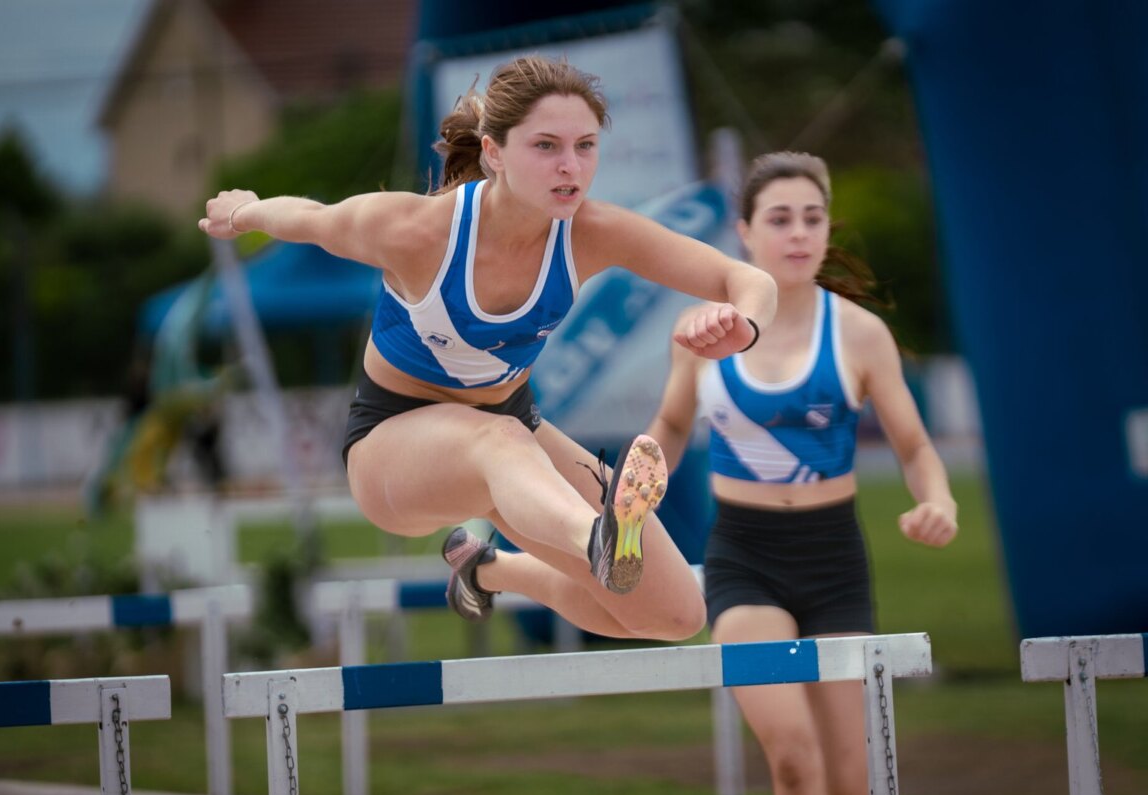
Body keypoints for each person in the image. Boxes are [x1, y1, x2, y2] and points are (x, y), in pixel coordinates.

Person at [199, 55, 777, 641]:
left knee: (676, 615)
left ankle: (491, 570)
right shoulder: (415, 230)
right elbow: (309, 218)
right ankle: (595, 536)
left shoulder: (593, 232)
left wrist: (745, 325)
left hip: (511, 430)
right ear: (494, 152)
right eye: (546, 146)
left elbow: (748, 280)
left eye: (585, 146)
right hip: (390, 445)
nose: (570, 166)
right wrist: (243, 211)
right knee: (502, 441)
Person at [646, 151, 957, 795]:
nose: (799, 234)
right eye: (780, 219)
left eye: (813, 219)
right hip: (744, 557)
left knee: (851, 780)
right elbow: (671, 426)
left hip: (833, 560)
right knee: (792, 758)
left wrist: (939, 501)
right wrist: (633, 490)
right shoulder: (705, 328)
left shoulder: (859, 334)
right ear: (746, 232)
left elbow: (915, 447)